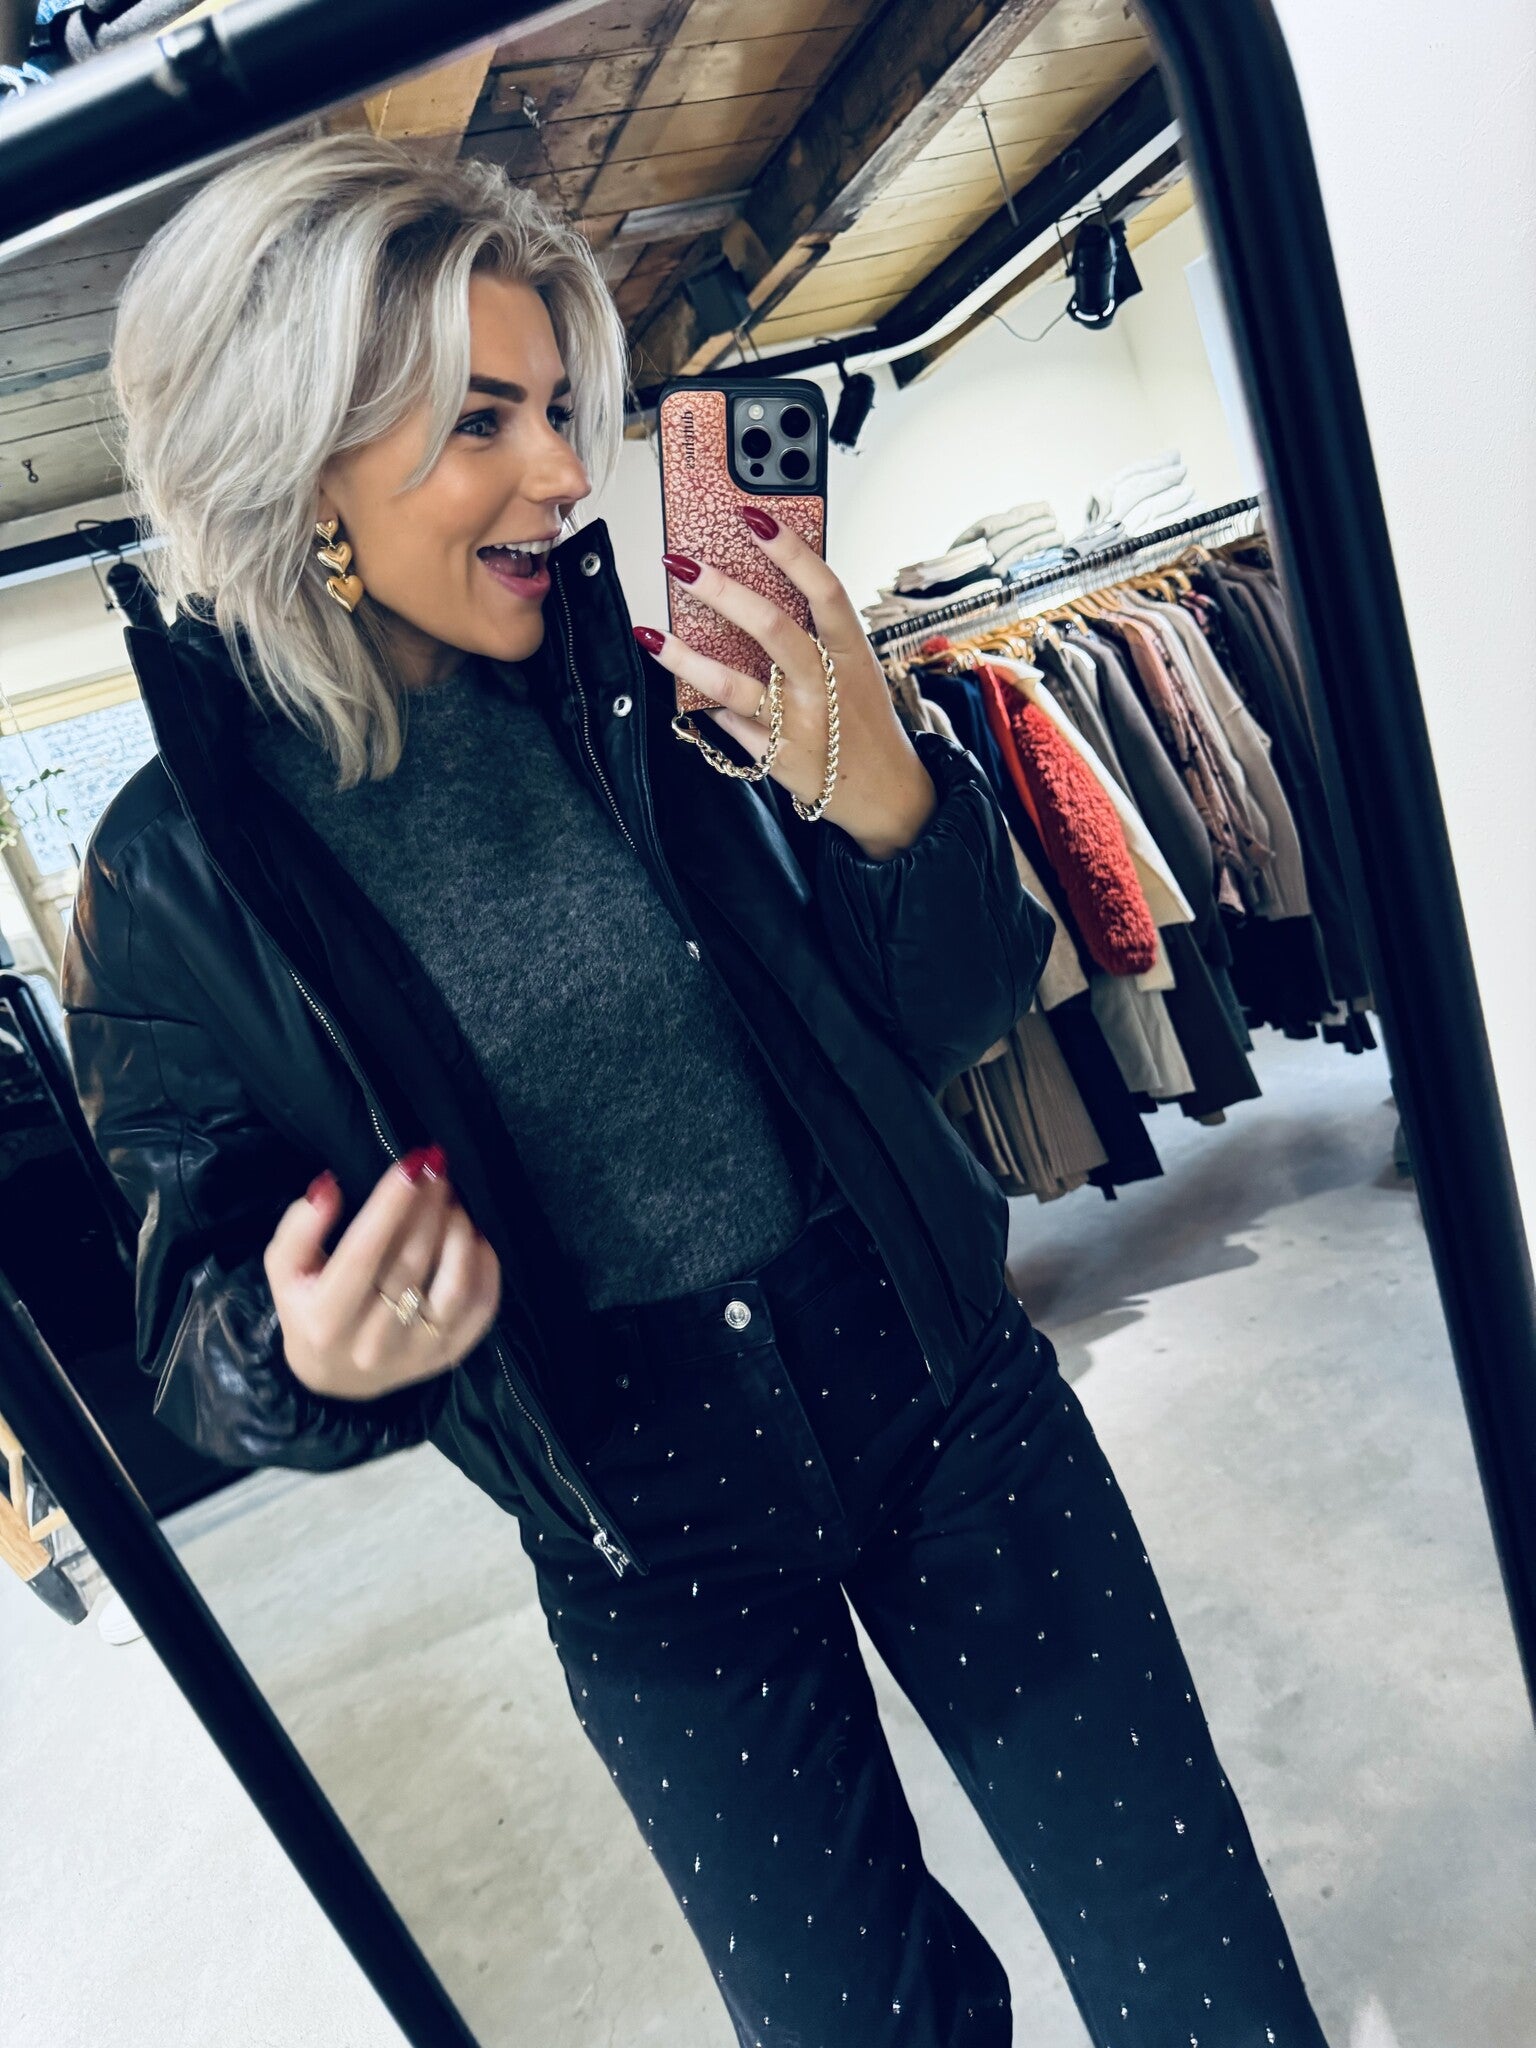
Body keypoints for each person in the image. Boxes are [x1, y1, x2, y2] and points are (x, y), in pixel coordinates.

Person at [60, 132, 1330, 2047]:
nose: (567, 472)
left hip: (945, 1399)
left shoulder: (659, 695)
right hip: (644, 1535)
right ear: (299, 458)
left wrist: (890, 789)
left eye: (559, 409)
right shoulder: (173, 877)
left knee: (1199, 1972)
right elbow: (192, 1322)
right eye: (483, 420)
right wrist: (302, 1349)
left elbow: (957, 1015)